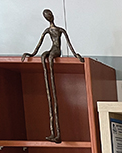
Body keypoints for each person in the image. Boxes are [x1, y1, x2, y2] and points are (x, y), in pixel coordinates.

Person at [22, 8, 84, 143]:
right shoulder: (47, 31)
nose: (49, 18)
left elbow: (69, 45)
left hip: (56, 50)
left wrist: (76, 56)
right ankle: (52, 132)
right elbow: (38, 46)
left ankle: (58, 133)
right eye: (47, 16)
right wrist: (30, 54)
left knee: (50, 60)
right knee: (43, 58)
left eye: (49, 15)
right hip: (50, 50)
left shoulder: (60, 30)